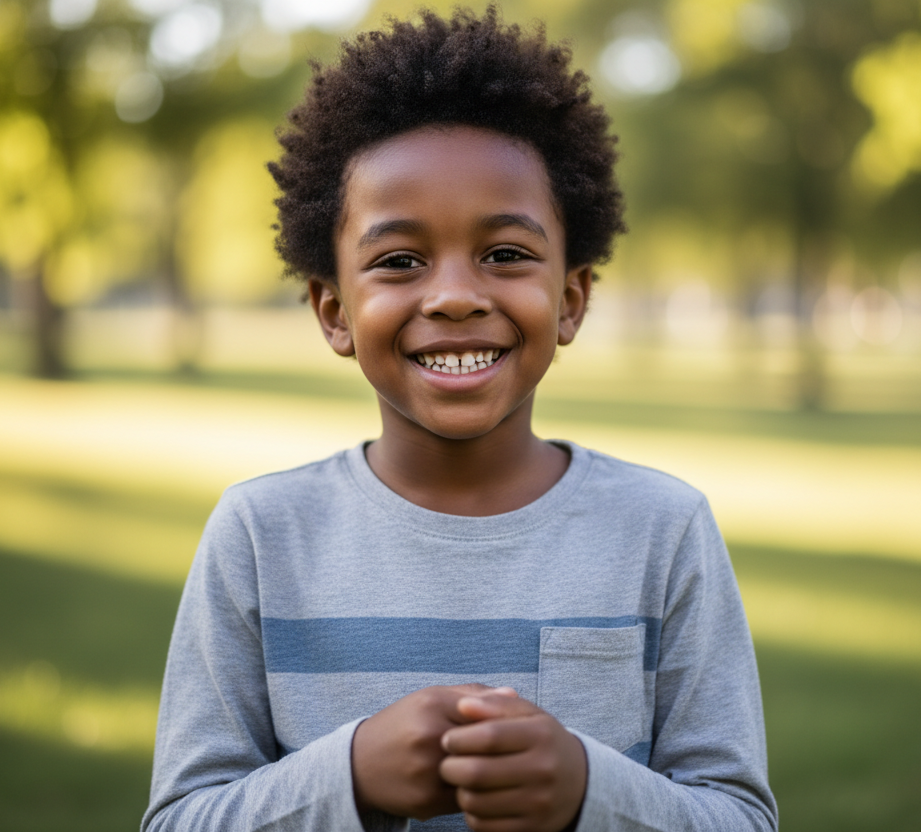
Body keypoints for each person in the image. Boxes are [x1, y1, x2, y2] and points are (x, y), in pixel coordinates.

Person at [142, 7, 777, 832]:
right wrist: (351, 777)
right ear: (334, 310)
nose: (454, 295)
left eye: (505, 254)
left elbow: (740, 816)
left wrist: (590, 789)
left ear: (571, 298)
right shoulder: (261, 537)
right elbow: (181, 819)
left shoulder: (662, 531)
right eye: (399, 261)